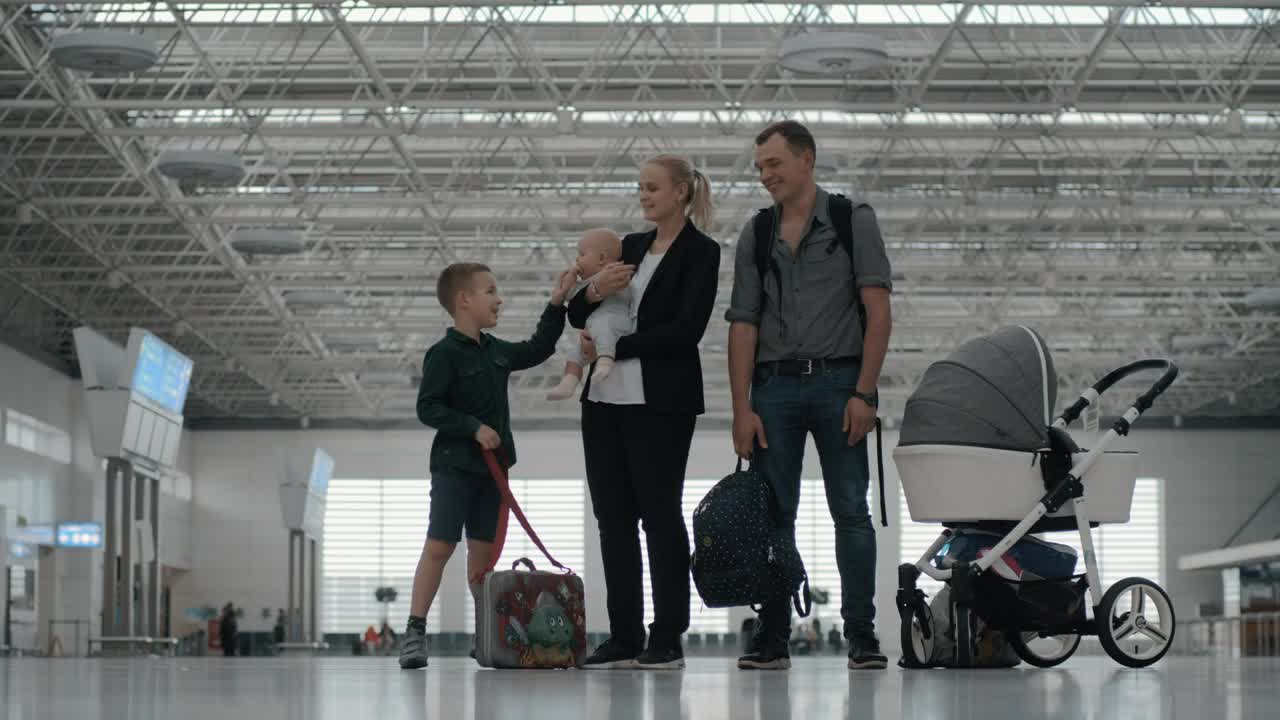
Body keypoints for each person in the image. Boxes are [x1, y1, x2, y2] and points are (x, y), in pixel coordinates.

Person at [726, 120, 894, 671]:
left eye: (774, 164)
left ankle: (862, 634)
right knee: (774, 516)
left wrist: (864, 394)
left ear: (807, 160)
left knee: (851, 510)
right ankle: (772, 636)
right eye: (760, 167)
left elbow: (878, 311)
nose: (766, 175)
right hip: (772, 388)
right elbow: (743, 325)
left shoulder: (851, 220)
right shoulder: (756, 233)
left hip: (838, 384)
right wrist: (741, 409)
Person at [567, 154, 720, 671]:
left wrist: (616, 346)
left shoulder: (702, 252)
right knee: (612, 520)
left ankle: (668, 633)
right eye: (640, 187)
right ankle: (625, 634)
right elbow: (576, 310)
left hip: (662, 403)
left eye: (653, 187)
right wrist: (590, 292)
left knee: (659, 516)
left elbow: (685, 331)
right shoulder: (627, 246)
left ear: (681, 192)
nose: (644, 195)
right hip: (604, 403)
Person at [398, 261, 578, 669]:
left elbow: (537, 349)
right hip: (454, 467)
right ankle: (414, 632)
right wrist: (472, 427)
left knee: (483, 562)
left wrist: (557, 302)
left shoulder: (495, 351)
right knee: (440, 546)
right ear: (464, 300)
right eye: (491, 291)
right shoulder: (443, 354)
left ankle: (485, 637)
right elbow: (428, 407)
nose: (499, 299)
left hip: (491, 473)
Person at [547, 228, 630, 400]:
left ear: (601, 258)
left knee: (603, 327)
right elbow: (574, 301)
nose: (577, 259)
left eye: (582, 254)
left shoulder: (613, 272)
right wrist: (568, 285)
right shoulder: (588, 280)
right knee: (575, 355)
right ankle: (568, 383)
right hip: (593, 331)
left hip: (614, 323)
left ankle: (605, 361)